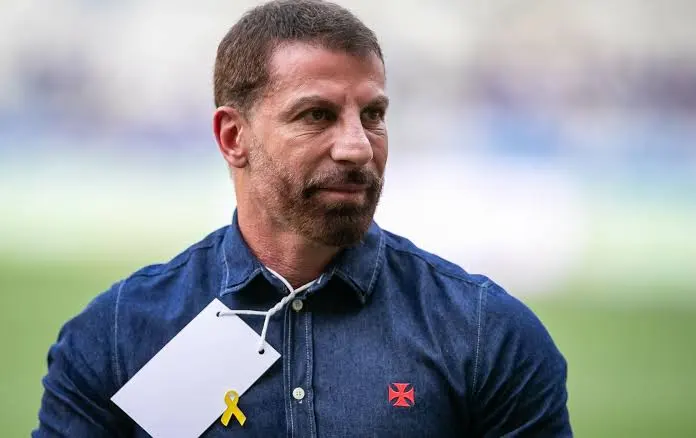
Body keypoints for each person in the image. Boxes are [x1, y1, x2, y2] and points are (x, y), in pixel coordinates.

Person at [34, 1, 572, 436]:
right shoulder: (118, 335)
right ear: (233, 137)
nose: (358, 147)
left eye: (373, 115)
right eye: (317, 115)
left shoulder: (485, 334)